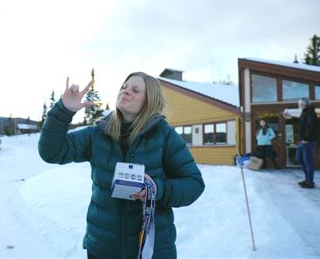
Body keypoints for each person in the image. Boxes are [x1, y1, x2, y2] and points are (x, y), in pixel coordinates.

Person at [39, 72, 205, 259]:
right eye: (124, 87)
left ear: (150, 100)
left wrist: (156, 189)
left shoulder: (164, 136)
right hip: (103, 249)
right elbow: (51, 152)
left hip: (153, 250)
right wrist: (64, 111)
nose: (126, 91)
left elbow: (194, 184)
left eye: (135, 90)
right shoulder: (97, 134)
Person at [295, 97, 318, 189]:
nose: (298, 105)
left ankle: (310, 182)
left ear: (303, 104)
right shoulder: (305, 112)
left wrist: (306, 139)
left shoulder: (310, 113)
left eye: (299, 103)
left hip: (308, 141)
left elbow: (310, 127)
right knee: (299, 159)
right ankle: (307, 179)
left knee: (308, 162)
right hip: (302, 141)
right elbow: (303, 125)